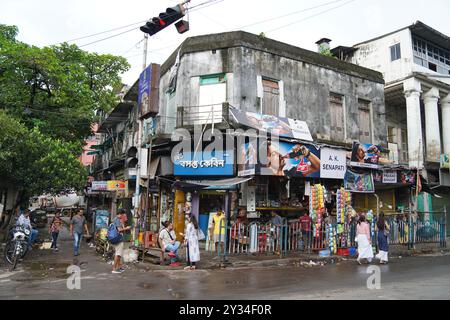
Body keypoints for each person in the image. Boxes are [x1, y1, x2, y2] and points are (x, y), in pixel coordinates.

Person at [111, 209, 131, 274]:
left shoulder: (116, 219)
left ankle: (119, 267)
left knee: (119, 254)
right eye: (123, 214)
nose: (124, 215)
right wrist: (127, 228)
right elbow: (119, 230)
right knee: (118, 254)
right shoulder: (117, 220)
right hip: (118, 238)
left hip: (116, 238)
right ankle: (114, 269)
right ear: (121, 214)